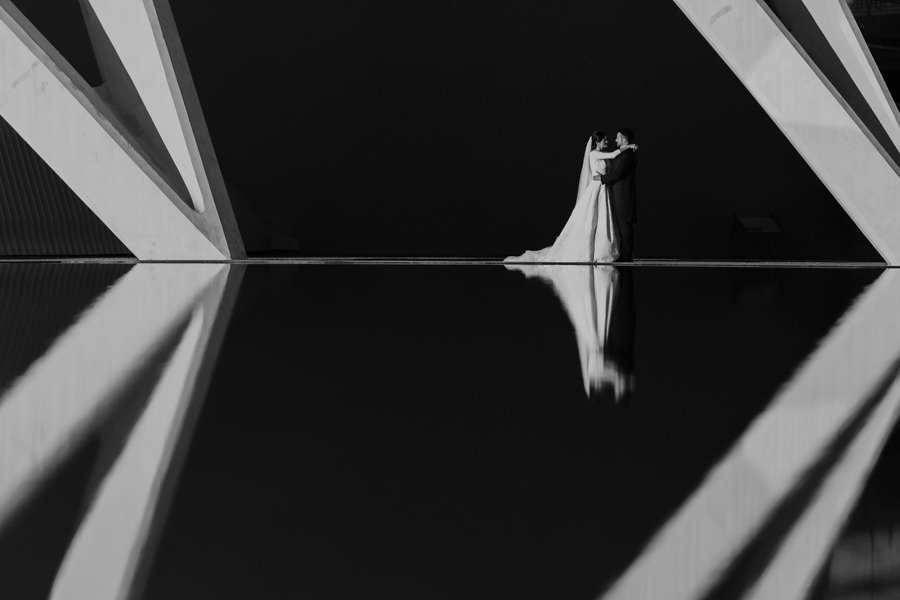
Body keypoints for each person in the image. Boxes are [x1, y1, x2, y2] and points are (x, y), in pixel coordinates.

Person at [504, 131, 637, 263]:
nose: (609, 141)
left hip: (604, 189)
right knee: (591, 217)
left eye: (610, 139)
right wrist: (629, 146)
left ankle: (601, 248)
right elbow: (613, 155)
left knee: (602, 218)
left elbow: (612, 164)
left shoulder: (605, 156)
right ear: (597, 142)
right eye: (605, 140)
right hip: (597, 188)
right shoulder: (594, 153)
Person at [601, 128, 638, 262]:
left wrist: (600, 179)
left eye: (617, 137)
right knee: (623, 224)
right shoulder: (625, 153)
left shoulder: (626, 155)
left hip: (623, 195)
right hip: (621, 194)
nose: (615, 140)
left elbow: (617, 174)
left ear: (624, 139)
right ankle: (625, 253)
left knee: (624, 224)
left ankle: (627, 254)